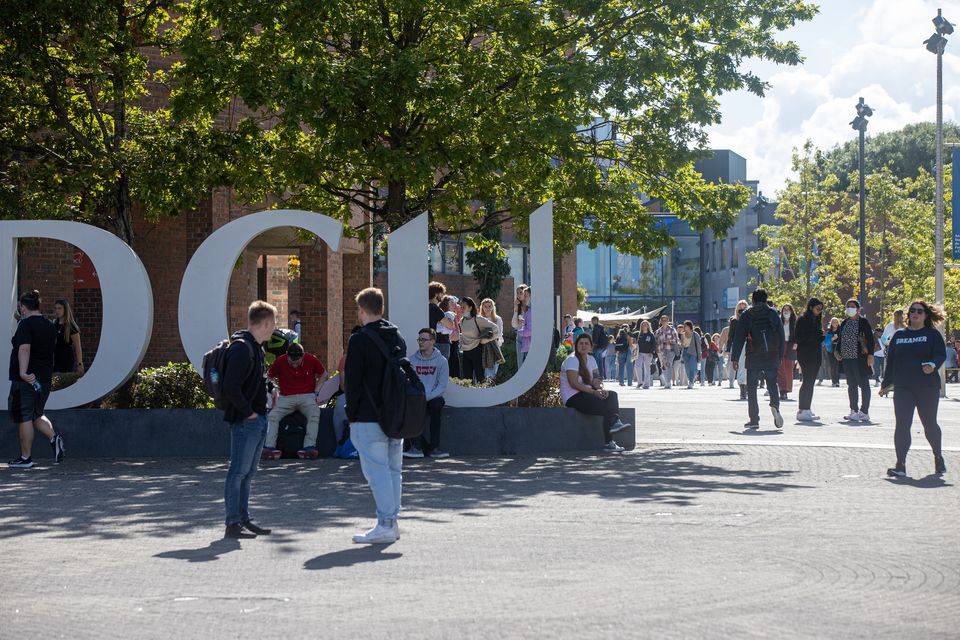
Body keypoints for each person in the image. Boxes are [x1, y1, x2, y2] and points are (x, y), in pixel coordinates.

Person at [345, 287, 408, 544]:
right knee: (394, 470)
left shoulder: (359, 340)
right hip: (395, 415)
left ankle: (385, 523)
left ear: (362, 310)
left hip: (368, 416)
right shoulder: (398, 338)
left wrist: (352, 414)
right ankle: (391, 522)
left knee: (377, 472)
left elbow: (353, 382)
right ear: (382, 309)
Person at [220, 300, 276, 539]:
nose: (274, 328)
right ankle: (233, 522)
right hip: (247, 421)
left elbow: (254, 380)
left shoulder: (256, 348)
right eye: (273, 323)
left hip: (257, 418)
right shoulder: (242, 348)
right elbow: (230, 386)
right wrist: (248, 412)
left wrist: (271, 387)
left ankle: (243, 518)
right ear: (265, 323)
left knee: (248, 472)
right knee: (238, 472)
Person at [879, 300, 947, 478]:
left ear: (926, 315)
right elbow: (891, 361)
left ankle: (938, 456)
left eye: (920, 311)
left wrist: (932, 365)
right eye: (912, 311)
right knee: (902, 424)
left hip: (927, 387)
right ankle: (900, 464)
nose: (915, 313)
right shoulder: (899, 336)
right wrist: (886, 384)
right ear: (908, 314)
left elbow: (941, 354)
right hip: (903, 387)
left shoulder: (932, 335)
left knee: (929, 424)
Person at [8, 291, 64, 469]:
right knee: (36, 414)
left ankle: (25, 458)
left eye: (21, 308)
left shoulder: (25, 325)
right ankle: (54, 438)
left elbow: (24, 349)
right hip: (44, 379)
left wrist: (23, 373)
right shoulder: (49, 325)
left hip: (27, 380)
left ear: (23, 307)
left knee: (24, 415)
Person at [560, 333, 631, 452]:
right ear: (576, 345)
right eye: (581, 343)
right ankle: (611, 435)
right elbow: (574, 384)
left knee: (612, 395)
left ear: (591, 347)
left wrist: (600, 389)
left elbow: (596, 379)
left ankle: (614, 423)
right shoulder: (572, 360)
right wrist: (594, 393)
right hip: (573, 396)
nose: (583, 346)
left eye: (586, 344)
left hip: (587, 392)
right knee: (607, 408)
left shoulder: (591, 359)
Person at [262, 342, 327, 460]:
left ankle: (309, 446)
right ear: (287, 355)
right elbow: (268, 376)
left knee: (314, 414)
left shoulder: (311, 359)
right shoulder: (280, 361)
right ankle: (269, 447)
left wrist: (316, 391)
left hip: (307, 396)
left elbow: (323, 373)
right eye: (292, 362)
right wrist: (274, 389)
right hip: (286, 397)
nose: (295, 365)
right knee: (273, 416)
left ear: (302, 356)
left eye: (298, 362)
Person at [731, 289, 785, 430]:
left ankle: (754, 419)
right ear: (766, 299)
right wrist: (780, 354)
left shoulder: (747, 314)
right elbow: (780, 334)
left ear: (753, 300)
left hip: (753, 354)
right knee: (772, 384)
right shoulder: (773, 313)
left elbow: (739, 337)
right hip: (771, 354)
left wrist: (735, 358)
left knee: (752, 388)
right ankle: (775, 406)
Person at [404, 328, 450, 459]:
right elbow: (409, 382)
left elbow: (442, 386)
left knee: (437, 406)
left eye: (424, 339)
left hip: (433, 397)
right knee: (412, 408)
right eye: (419, 339)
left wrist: (427, 396)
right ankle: (417, 448)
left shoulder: (441, 361)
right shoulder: (412, 360)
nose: (421, 342)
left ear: (433, 341)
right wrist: (419, 397)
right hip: (417, 398)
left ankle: (434, 448)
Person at [835, 298, 875, 422]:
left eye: (852, 306)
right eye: (848, 306)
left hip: (860, 359)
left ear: (858, 310)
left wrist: (871, 355)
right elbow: (840, 339)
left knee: (864, 384)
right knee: (851, 385)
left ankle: (864, 411)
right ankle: (853, 410)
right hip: (847, 359)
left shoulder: (863, 322)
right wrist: (837, 351)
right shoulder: (844, 323)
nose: (849, 308)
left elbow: (870, 339)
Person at [794, 298, 824, 422]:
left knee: (811, 382)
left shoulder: (817, 321)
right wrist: (816, 335)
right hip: (806, 355)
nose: (819, 311)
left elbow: (817, 337)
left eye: (820, 309)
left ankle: (807, 408)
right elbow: (800, 337)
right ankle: (802, 409)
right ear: (811, 307)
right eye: (817, 308)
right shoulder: (802, 320)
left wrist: (822, 336)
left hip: (816, 354)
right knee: (806, 381)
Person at [458, 296, 500, 383]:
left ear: (470, 307)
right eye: (460, 306)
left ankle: (483, 396)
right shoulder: (462, 320)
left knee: (481, 379)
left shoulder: (478, 319)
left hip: (477, 351)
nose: (461, 308)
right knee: (467, 380)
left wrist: (486, 340)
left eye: (464, 307)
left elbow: (496, 329)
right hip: (466, 353)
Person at [52, 298, 83, 374]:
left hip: (67, 358)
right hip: (56, 357)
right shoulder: (55, 324)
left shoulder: (71, 326)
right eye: (55, 308)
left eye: (59, 308)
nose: (57, 311)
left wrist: (79, 364)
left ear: (65, 309)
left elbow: (78, 346)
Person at [724, 300, 748, 391]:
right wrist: (728, 348)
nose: (742, 310)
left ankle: (748, 386)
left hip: (750, 344)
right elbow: (731, 335)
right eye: (740, 308)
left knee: (749, 366)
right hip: (739, 345)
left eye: (744, 307)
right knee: (741, 366)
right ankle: (742, 387)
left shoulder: (751, 319)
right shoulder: (734, 321)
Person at [428, 282, 455, 360]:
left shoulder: (427, 307)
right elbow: (450, 325)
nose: (443, 296)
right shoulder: (435, 309)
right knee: (442, 369)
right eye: (442, 293)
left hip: (431, 342)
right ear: (436, 294)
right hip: (441, 343)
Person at [479, 298, 505, 380]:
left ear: (493, 307)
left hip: (494, 347)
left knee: (492, 373)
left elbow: (499, 334)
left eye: (490, 306)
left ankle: (491, 387)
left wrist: (488, 339)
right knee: (482, 372)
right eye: (485, 306)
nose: (487, 308)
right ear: (482, 307)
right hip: (481, 347)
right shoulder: (479, 319)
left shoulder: (497, 319)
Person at [778, 304, 797, 400]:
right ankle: (782, 390)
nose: (786, 311)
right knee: (781, 369)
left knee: (789, 369)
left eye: (788, 309)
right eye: (784, 309)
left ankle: (787, 389)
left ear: (791, 311)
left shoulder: (794, 323)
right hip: (780, 347)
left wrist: (796, 343)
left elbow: (798, 335)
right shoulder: (778, 322)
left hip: (791, 347)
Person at [655, 315, 679, 389]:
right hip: (661, 351)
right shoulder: (658, 331)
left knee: (669, 365)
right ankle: (667, 381)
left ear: (668, 321)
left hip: (670, 350)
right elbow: (657, 342)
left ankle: (668, 382)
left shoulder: (672, 329)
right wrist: (658, 351)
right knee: (664, 366)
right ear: (661, 321)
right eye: (663, 320)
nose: (664, 321)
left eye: (666, 320)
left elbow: (676, 340)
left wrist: (669, 341)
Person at [679, 321, 702, 390]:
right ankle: (691, 380)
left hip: (693, 352)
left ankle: (691, 382)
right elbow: (682, 345)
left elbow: (698, 346)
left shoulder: (695, 334)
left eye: (685, 326)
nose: (684, 327)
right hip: (685, 352)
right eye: (684, 326)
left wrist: (699, 355)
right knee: (687, 368)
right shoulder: (682, 335)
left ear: (689, 326)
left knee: (692, 367)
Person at [633, 320, 656, 389]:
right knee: (637, 366)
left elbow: (654, 344)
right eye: (643, 325)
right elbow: (631, 337)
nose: (644, 326)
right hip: (639, 353)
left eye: (646, 325)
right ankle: (639, 382)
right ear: (641, 326)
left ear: (648, 326)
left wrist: (651, 352)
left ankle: (646, 384)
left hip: (648, 354)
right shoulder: (638, 334)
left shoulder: (651, 334)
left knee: (647, 369)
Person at [513, 287, 532, 369]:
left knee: (527, 367)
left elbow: (530, 330)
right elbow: (514, 324)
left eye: (522, 293)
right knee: (521, 366)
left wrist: (519, 331)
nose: (520, 295)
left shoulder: (531, 310)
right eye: (518, 293)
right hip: (521, 339)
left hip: (527, 339)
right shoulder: (519, 307)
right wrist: (516, 310)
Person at [821, 317, 841, 387]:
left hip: (839, 350)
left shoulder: (841, 330)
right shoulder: (829, 331)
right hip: (831, 350)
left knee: (837, 366)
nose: (835, 323)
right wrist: (832, 339)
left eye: (836, 322)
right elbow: (825, 342)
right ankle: (834, 381)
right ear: (831, 323)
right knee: (832, 366)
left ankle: (837, 381)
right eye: (833, 322)